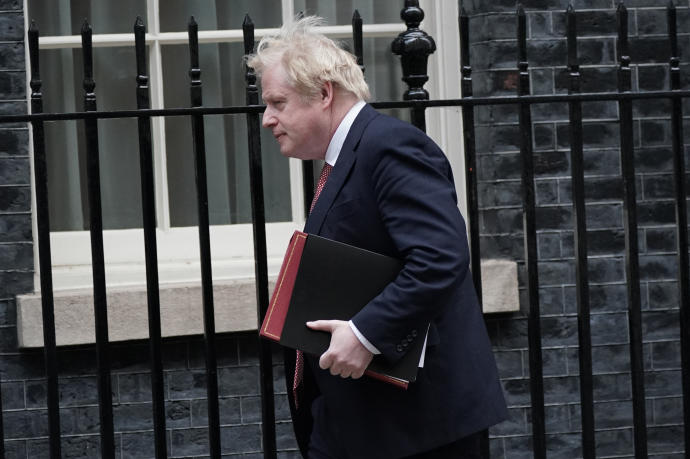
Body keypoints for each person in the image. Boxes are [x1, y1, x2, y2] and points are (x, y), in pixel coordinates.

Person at [248, 16, 507, 459]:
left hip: (419, 426)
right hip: (367, 420)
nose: (267, 118)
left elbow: (440, 258)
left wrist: (366, 333)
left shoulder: (389, 146)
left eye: (277, 102)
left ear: (324, 93)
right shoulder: (349, 155)